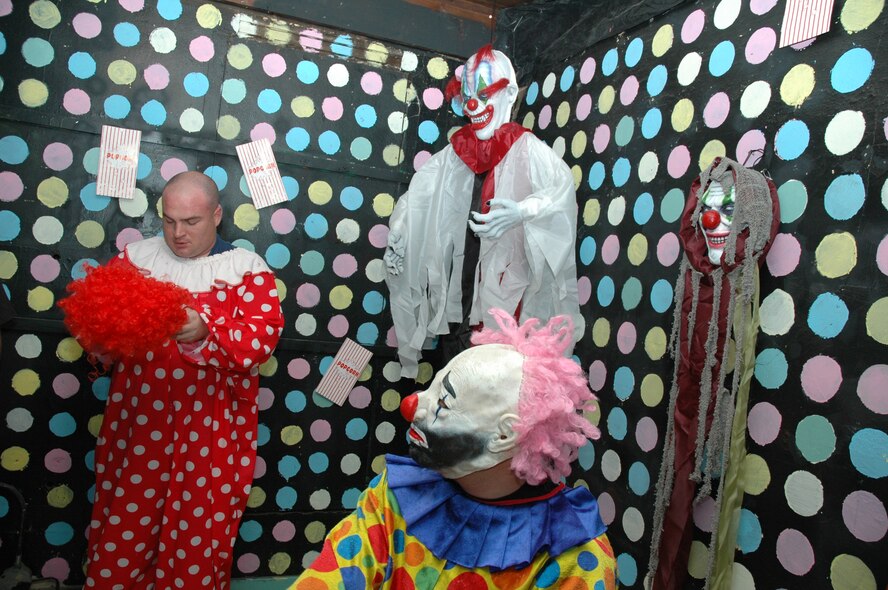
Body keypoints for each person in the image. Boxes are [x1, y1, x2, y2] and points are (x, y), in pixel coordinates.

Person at [289, 309, 616, 589]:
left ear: (502, 437)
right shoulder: (397, 496)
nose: (412, 406)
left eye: (443, 401)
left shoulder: (573, 555)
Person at [82, 171, 284, 589]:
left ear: (217, 215)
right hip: (138, 426)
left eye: (190, 222)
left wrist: (205, 331)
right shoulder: (135, 260)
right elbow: (99, 339)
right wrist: (98, 330)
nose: (177, 233)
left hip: (210, 431)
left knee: (198, 535)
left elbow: (261, 342)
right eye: (169, 220)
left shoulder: (245, 269)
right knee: (125, 529)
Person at [384, 46, 582, 378]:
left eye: (484, 93)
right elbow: (419, 193)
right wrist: (400, 233)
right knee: (457, 378)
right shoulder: (455, 152)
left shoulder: (528, 150)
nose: (473, 104)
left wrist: (522, 210)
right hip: (459, 299)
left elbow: (559, 193)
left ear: (507, 93)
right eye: (467, 96)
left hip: (507, 299)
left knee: (497, 384)